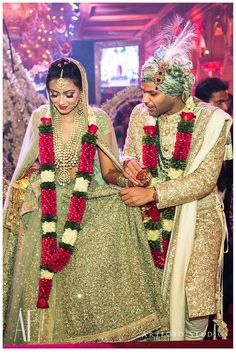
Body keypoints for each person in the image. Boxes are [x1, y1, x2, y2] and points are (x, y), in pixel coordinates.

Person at [3, 57, 164, 344]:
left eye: (69, 94)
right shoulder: (41, 117)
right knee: (43, 283)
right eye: (54, 94)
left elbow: (109, 171)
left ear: (82, 90)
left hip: (86, 208)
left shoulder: (96, 119)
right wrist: (28, 183)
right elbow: (25, 167)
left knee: (85, 288)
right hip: (45, 210)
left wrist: (130, 181)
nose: (61, 102)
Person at [120, 16, 232, 341]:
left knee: (193, 302)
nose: (145, 100)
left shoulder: (214, 121)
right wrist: (131, 166)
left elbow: (204, 181)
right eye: (144, 92)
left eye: (153, 93)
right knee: (155, 304)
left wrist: (152, 193)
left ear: (176, 91)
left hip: (200, 219)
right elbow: (130, 151)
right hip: (152, 220)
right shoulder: (142, 115)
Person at [195, 78, 233, 316]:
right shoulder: (196, 133)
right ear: (204, 105)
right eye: (219, 102)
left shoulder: (230, 128)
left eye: (227, 100)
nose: (226, 107)